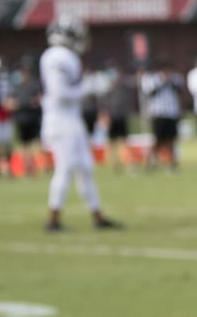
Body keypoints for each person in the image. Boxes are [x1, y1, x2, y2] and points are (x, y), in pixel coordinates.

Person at [40, 14, 120, 231]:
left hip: (71, 119)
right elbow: (59, 93)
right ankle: (53, 218)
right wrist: (90, 86)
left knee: (85, 167)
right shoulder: (58, 56)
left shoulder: (63, 56)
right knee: (65, 169)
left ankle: (97, 215)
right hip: (61, 120)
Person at [142, 59, 184, 172]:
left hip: (171, 113)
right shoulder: (153, 79)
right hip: (158, 113)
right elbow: (150, 94)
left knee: (171, 140)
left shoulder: (175, 78)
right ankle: (150, 162)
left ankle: (172, 164)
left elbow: (179, 91)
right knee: (158, 140)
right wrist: (161, 83)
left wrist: (169, 82)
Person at [11, 57, 44, 178]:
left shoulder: (35, 85)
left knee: (37, 145)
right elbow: (11, 103)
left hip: (34, 119)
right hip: (21, 120)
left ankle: (39, 167)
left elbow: (38, 100)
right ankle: (28, 169)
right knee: (24, 146)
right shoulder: (17, 87)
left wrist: (24, 103)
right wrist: (25, 103)